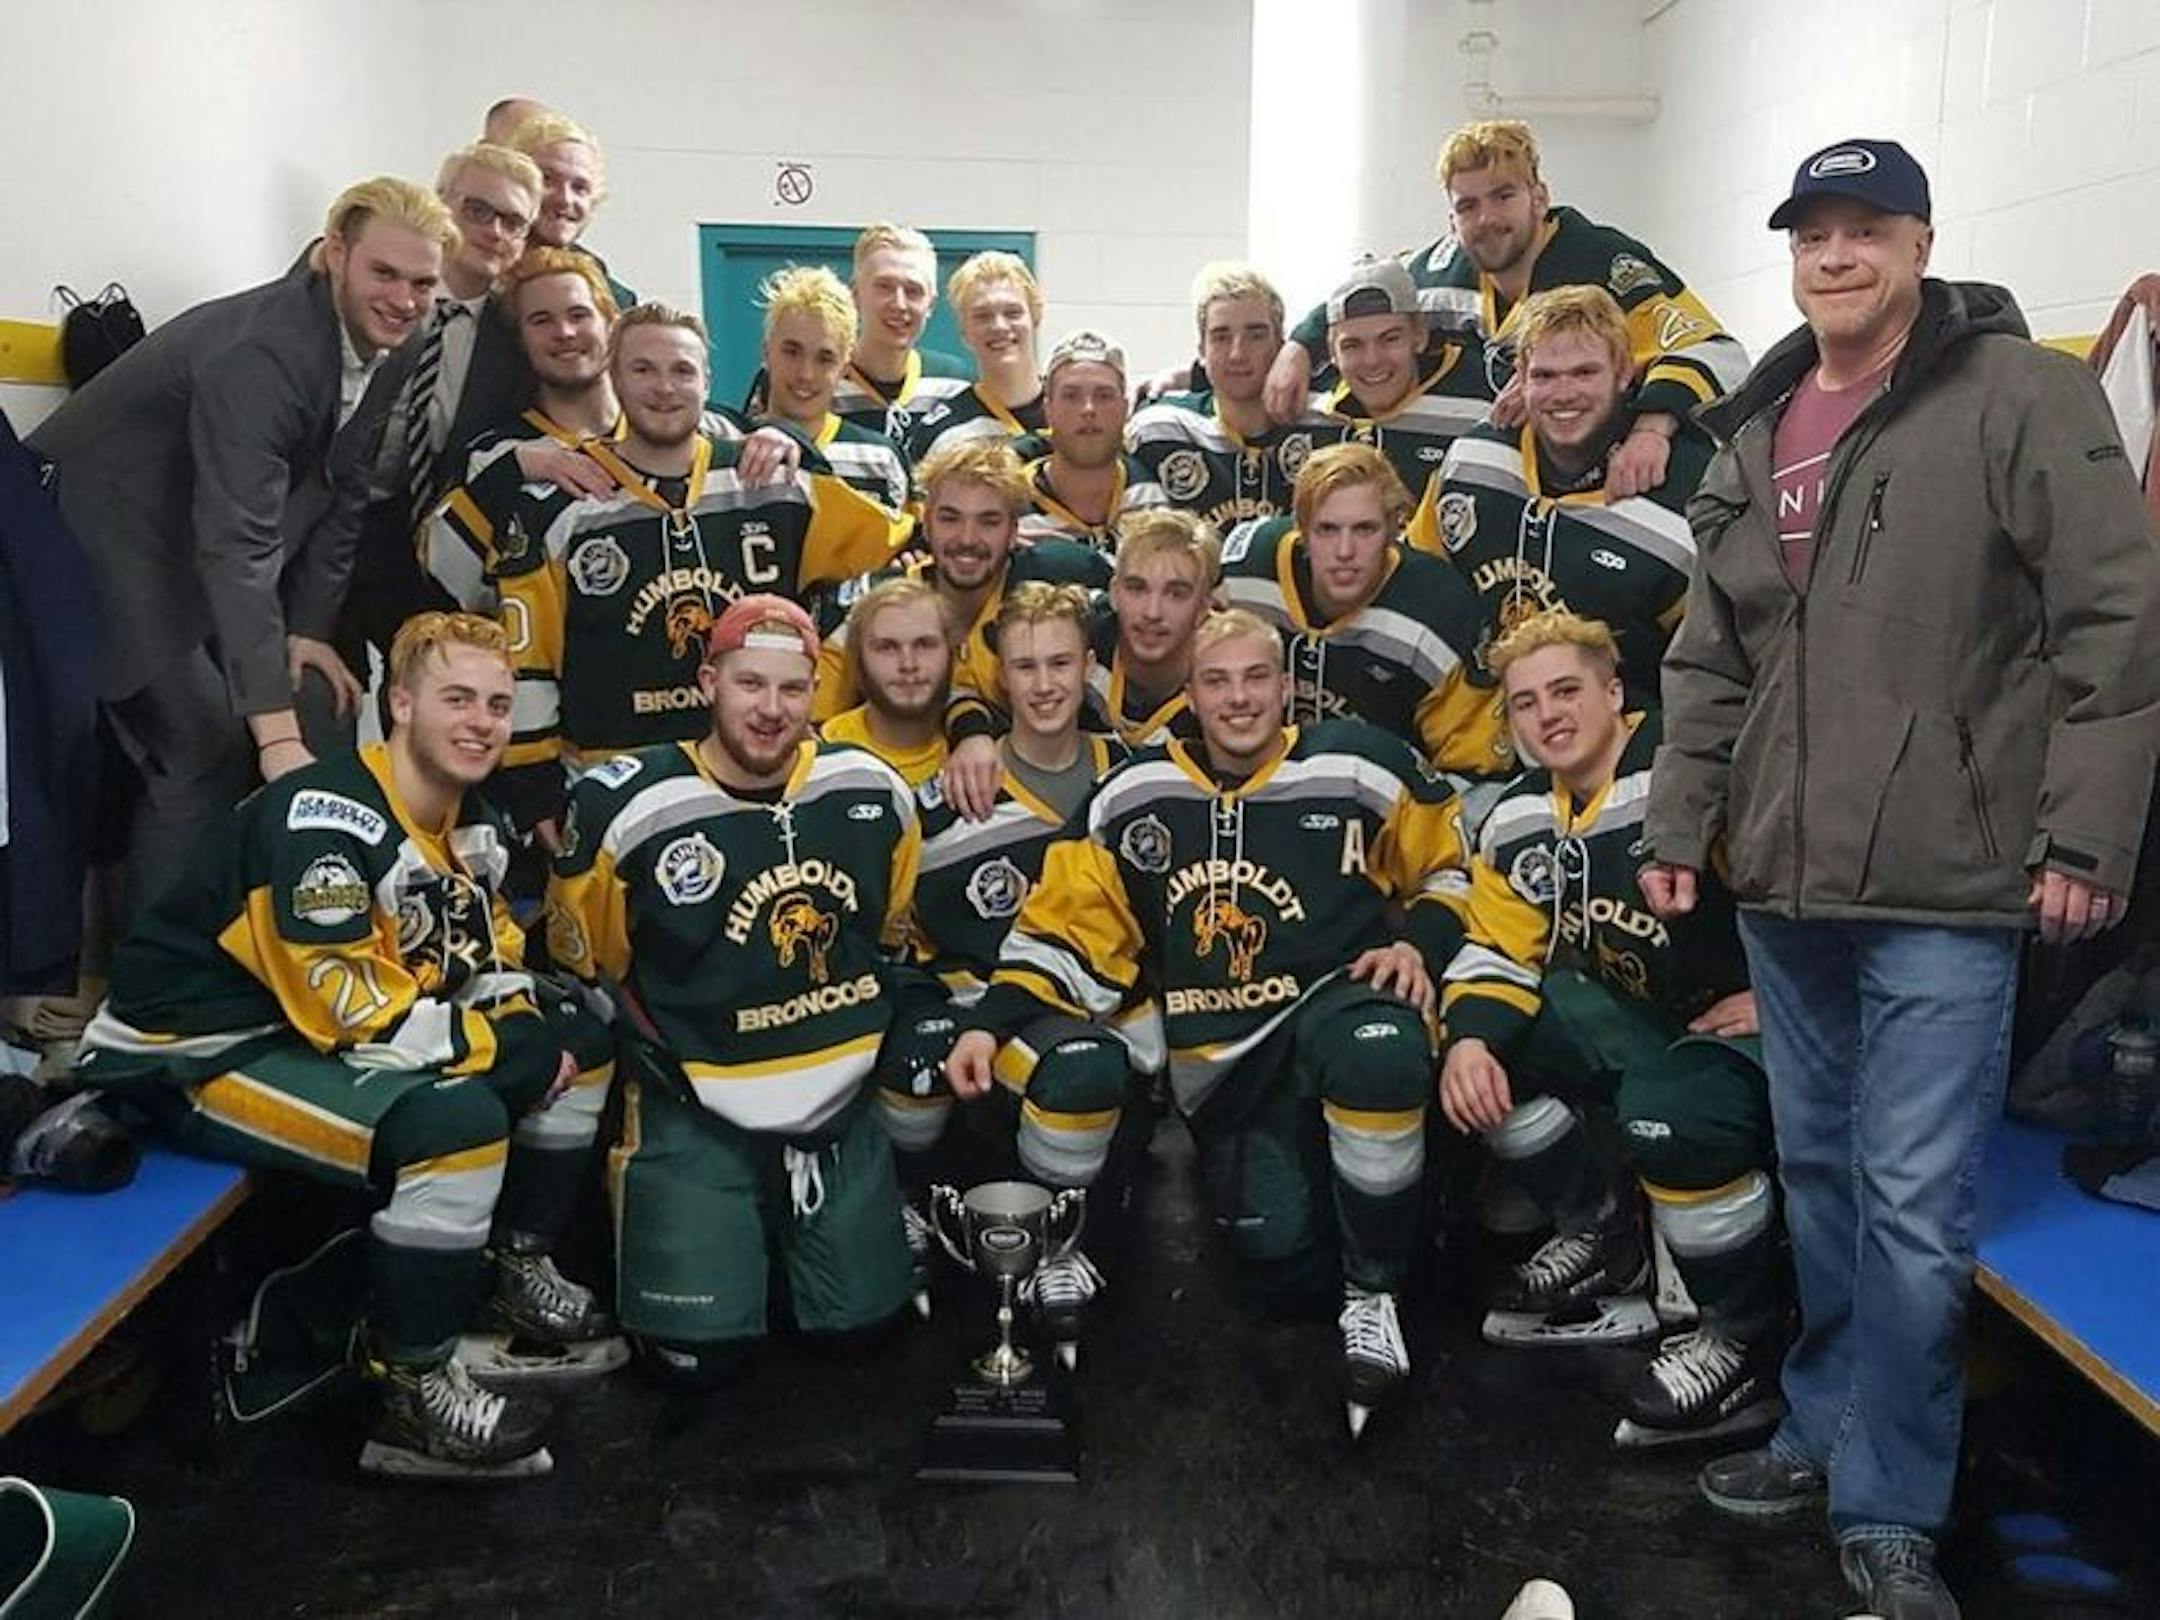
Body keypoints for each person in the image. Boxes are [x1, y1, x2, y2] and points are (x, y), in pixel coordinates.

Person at [1643, 138, 2160, 1619]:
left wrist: (2083, 837)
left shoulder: (2020, 398)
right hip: (1791, 886)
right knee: (1819, 1178)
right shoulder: (1756, 431)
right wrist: (1684, 826)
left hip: (1951, 884)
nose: (1836, 254)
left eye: (1867, 228)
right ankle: (1823, 1427)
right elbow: (1712, 656)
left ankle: (1892, 1510)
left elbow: (2118, 626)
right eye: (1814, 231)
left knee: (1917, 1208)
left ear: (1922, 245)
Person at [77, 613, 618, 1480]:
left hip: (297, 1029)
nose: (481, 721)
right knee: (460, 1119)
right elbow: (356, 1015)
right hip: (195, 1049)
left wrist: (523, 1025)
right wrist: (502, 1049)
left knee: (581, 1038)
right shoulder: (321, 822)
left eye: (497, 703)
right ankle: (408, 1390)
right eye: (456, 699)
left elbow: (488, 959)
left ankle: (507, 1270)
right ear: (400, 704)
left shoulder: (467, 818)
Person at [948, 608, 1472, 1436]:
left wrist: (1425, 949)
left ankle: (1376, 1292)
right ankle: (1350, 1225)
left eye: (1256, 678)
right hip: (1223, 1071)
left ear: (1287, 686)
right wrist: (990, 1021)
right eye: (1217, 681)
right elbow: (1068, 925)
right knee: (1279, 1278)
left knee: (1380, 1052)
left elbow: (1452, 869)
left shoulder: (1362, 765)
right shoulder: (1134, 791)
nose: (1238, 700)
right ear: (1189, 693)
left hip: (1338, 1008)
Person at [29, 176, 456, 917]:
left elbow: (345, 487)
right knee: (199, 744)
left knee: (316, 692)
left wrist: (308, 630)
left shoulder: (407, 335)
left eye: (422, 282)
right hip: (90, 537)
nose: (404, 298)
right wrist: (274, 736)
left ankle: (254, 949)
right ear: (334, 255)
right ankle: (153, 993)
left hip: (190, 543)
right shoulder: (262, 352)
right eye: (384, 273)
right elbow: (238, 543)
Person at [546, 595, 920, 1387]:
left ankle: (810, 1243)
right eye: (750, 684)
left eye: (791, 688)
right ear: (708, 680)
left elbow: (885, 930)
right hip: (693, 1094)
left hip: (838, 1099)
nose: (771, 709)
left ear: (817, 690)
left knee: (862, 1338)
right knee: (697, 1360)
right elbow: (593, 959)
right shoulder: (627, 805)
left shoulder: (871, 789)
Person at [1439, 611, 1786, 1443]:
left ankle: (1742, 1338)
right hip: (1650, 1017)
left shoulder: (1688, 764)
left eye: (1565, 691)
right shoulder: (1519, 815)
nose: (1547, 716)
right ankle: (1602, 1231)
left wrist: (1782, 994)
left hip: (1761, 1021)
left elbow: (1810, 871)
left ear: (1615, 692)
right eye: (1524, 703)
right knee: (1483, 1043)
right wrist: (1470, 1041)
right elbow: (1498, 947)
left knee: (1672, 1114)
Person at [489, 304, 905, 836]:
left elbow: (897, 544)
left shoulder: (772, 483)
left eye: (682, 370)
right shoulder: (561, 503)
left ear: (708, 381)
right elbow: (531, 659)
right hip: (613, 790)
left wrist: (795, 443)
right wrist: (534, 786)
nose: (665, 387)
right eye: (643, 369)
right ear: (612, 374)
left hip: (754, 780)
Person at [875, 583, 1147, 1355]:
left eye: (1062, 662)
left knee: (1089, 1068)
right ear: (999, 677)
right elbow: (899, 938)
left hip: (1098, 1015)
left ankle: (1060, 1243)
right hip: (980, 1010)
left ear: (1090, 665)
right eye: (1025, 666)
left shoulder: (1136, 780)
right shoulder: (948, 799)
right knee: (915, 1041)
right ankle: (908, 1203)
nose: (1046, 683)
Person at [1268, 119, 1746, 501]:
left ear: (1539, 198)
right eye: (1468, 206)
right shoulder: (1443, 267)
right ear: (1451, 219)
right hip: (1502, 486)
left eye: (1503, 196)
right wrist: (1299, 346)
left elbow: (1713, 349)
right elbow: (1368, 289)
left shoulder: (1602, 261)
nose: (1486, 219)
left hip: (1609, 487)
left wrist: (1652, 428)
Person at [1420, 285, 1708, 706]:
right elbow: (1419, 584)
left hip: (1626, 751)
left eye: (1584, 373)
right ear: (1519, 376)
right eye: (1544, 376)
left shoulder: (1686, 490)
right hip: (1477, 742)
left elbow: (1714, 667)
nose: (1564, 393)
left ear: (1625, 372)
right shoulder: (1475, 459)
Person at [338, 144, 543, 683]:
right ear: (442, 205)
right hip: (328, 528)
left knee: (429, 693)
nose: (495, 231)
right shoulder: (374, 292)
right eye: (478, 210)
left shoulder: (519, 335)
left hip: (435, 546)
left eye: (514, 222)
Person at [1219, 442, 1508, 779]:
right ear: (1301, 529)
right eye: (1327, 529)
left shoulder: (1441, 609)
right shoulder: (1244, 571)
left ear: (1395, 527)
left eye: (1365, 529)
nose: (1345, 551)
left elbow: (1475, 772)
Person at [422, 246, 625, 613]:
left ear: (611, 322)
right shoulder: (488, 456)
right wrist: (506, 473)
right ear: (520, 339)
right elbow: (444, 583)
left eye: (579, 314)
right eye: (541, 320)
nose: (564, 332)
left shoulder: (681, 430)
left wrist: (765, 437)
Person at [1128, 262, 1313, 531]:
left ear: (1281, 346)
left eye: (1256, 335)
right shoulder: (1158, 430)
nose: (1237, 353)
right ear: (1201, 350)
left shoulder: (1320, 427)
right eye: (1221, 337)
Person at [1304, 257, 1490, 505]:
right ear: (1332, 352)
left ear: (1420, 336)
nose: (1372, 360)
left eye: (1390, 339)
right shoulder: (1304, 407)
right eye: (1352, 345)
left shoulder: (1479, 404)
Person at [752, 264, 911, 512]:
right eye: (792, 352)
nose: (806, 373)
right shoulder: (731, 447)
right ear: (766, 352)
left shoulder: (880, 459)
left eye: (825, 358)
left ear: (844, 367)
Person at [1082, 507, 1220, 749]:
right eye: (1137, 588)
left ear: (1203, 608)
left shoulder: (1229, 678)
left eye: (1176, 594)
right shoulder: (1079, 632)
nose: (1152, 613)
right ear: (1114, 593)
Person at [1016, 330, 1166, 548]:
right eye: (1071, 396)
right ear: (1048, 410)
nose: (1088, 409)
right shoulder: (1008, 506)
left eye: (1103, 396)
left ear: (1125, 408)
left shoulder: (1156, 498)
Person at [903, 252, 1047, 463]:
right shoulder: (940, 434)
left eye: (1012, 313)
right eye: (983, 316)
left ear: (1035, 318)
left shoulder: (1073, 413)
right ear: (964, 332)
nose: (999, 326)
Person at [818, 577, 953, 790]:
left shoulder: (980, 754)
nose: (908, 664)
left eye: (925, 645)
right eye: (887, 647)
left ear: (950, 652)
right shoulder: (818, 756)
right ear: (857, 658)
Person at [504, 111, 636, 309]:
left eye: (580, 187)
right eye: (546, 179)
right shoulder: (471, 279)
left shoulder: (614, 300)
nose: (565, 199)